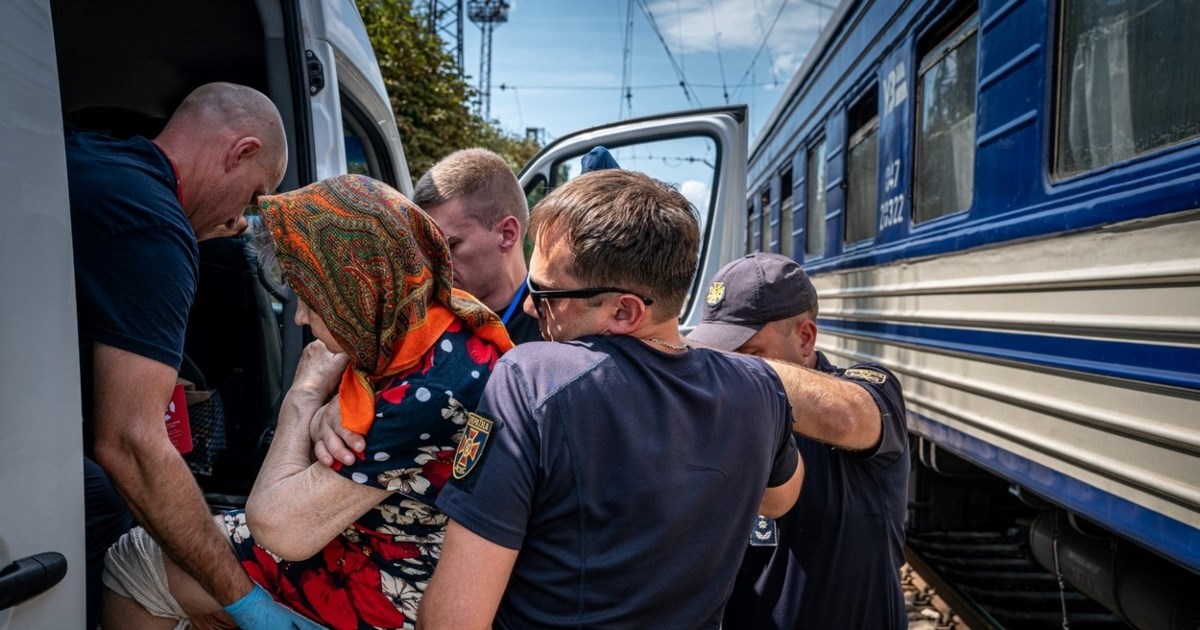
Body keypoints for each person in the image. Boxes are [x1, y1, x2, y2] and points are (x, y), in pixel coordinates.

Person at [102, 174, 515, 629]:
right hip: (372, 543)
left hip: (388, 586)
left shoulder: (430, 391)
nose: (299, 316)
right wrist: (323, 417)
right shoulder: (421, 328)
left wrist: (303, 397)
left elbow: (278, 526)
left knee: (135, 559)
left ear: (354, 287)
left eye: (311, 299)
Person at [416, 169, 804, 629]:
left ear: (625, 310)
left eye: (544, 295)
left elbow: (452, 622)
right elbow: (780, 500)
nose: (526, 308)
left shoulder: (532, 379)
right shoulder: (760, 387)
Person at [67, 81, 297, 628]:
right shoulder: (154, 221)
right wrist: (244, 601)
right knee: (111, 515)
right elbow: (130, 444)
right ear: (240, 152)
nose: (242, 221)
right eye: (252, 195)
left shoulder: (87, 156)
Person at [686, 253, 910, 629]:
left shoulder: (868, 387)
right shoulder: (720, 413)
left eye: (748, 354)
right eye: (720, 354)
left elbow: (847, 417)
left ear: (805, 338)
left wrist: (726, 370)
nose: (726, 368)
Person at [413, 148, 541, 345]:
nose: (432, 265)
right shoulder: (417, 326)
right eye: (425, 250)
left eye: (450, 246)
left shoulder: (556, 329)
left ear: (507, 234)